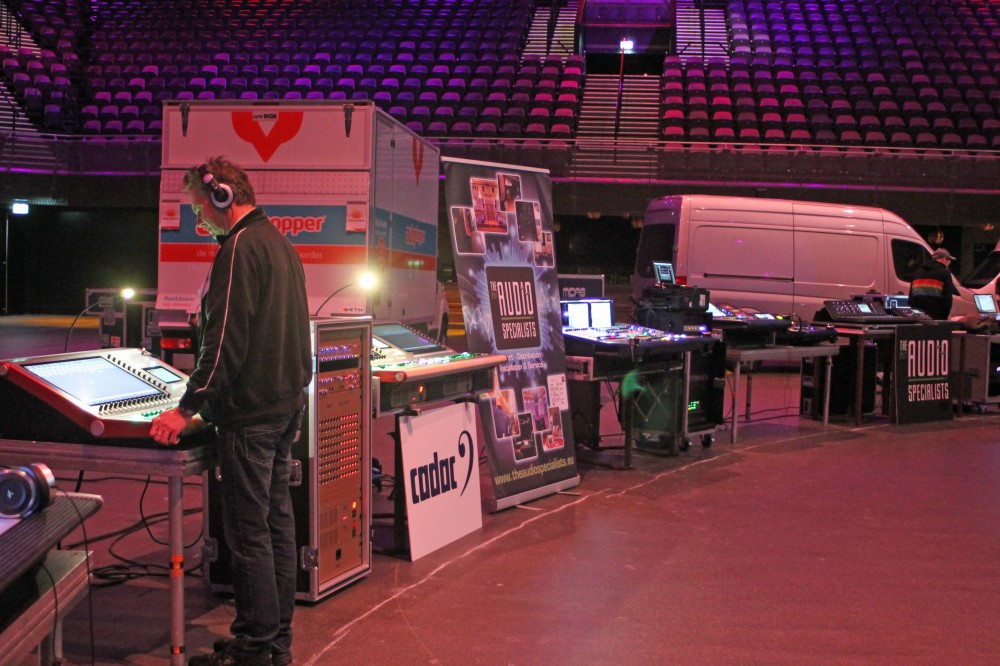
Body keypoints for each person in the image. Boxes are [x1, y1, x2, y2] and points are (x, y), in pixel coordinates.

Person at [150, 156, 312, 666]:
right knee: (275, 524)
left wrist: (188, 408)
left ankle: (254, 647)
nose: (199, 220)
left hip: (251, 416)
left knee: (247, 535)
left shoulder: (238, 249)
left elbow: (222, 346)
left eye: (200, 208)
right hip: (284, 406)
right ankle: (274, 640)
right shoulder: (280, 243)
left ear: (223, 197)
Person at [908, 247, 959, 320]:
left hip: (919, 319)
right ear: (944, 259)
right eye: (949, 261)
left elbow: (911, 298)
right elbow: (947, 299)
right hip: (937, 318)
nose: (948, 264)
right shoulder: (945, 273)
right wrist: (944, 317)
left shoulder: (918, 272)